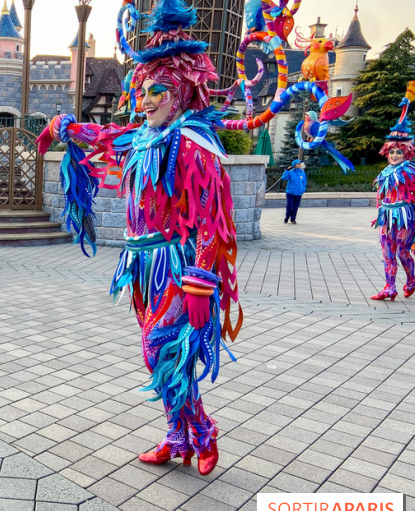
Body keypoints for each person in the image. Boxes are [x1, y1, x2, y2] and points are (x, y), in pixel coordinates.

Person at [37, 0, 242, 476]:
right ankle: (179, 437)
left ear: (181, 93)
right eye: (143, 90)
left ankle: (202, 432)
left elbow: (213, 220)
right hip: (141, 268)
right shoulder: (146, 136)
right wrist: (67, 126)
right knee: (165, 356)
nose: (146, 100)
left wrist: (199, 282)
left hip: (176, 267)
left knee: (157, 350)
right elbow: (108, 135)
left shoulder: (192, 144)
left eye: (157, 91)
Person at [370, 81, 415, 301]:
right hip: (387, 215)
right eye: (392, 152)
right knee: (387, 252)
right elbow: (380, 195)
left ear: (406, 153)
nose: (395, 155)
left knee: (402, 251)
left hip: (405, 216)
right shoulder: (385, 171)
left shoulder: (411, 171)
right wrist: (379, 213)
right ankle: (389, 287)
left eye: (399, 152)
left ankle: (412, 278)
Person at [281, 159, 307, 224]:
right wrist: (287, 170)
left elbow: (304, 182)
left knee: (296, 206)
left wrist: (303, 189)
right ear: (294, 165)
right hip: (290, 192)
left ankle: (293, 219)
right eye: (298, 164)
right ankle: (287, 217)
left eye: (300, 164)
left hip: (299, 192)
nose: (299, 165)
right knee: (289, 205)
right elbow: (284, 178)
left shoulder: (302, 173)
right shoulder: (290, 172)